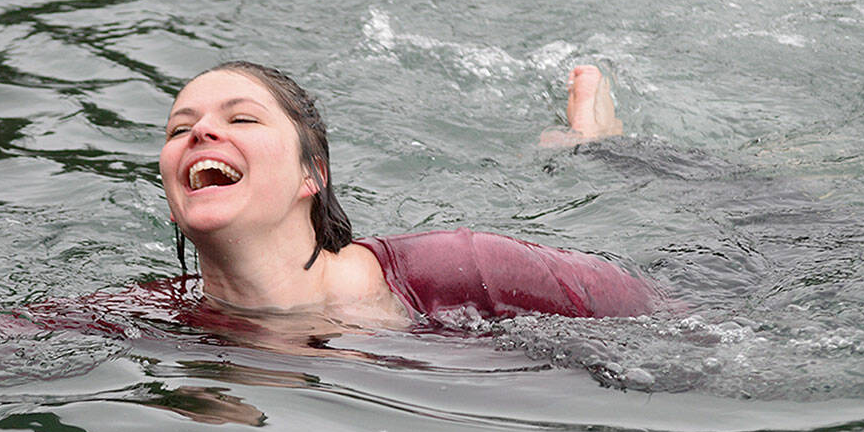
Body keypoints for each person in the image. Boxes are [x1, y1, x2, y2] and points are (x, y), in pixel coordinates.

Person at [161, 61, 665, 327]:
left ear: (311, 175)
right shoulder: (152, 316)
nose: (200, 133)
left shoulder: (463, 267)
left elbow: (668, 316)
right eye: (178, 129)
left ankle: (596, 146)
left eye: (242, 118)